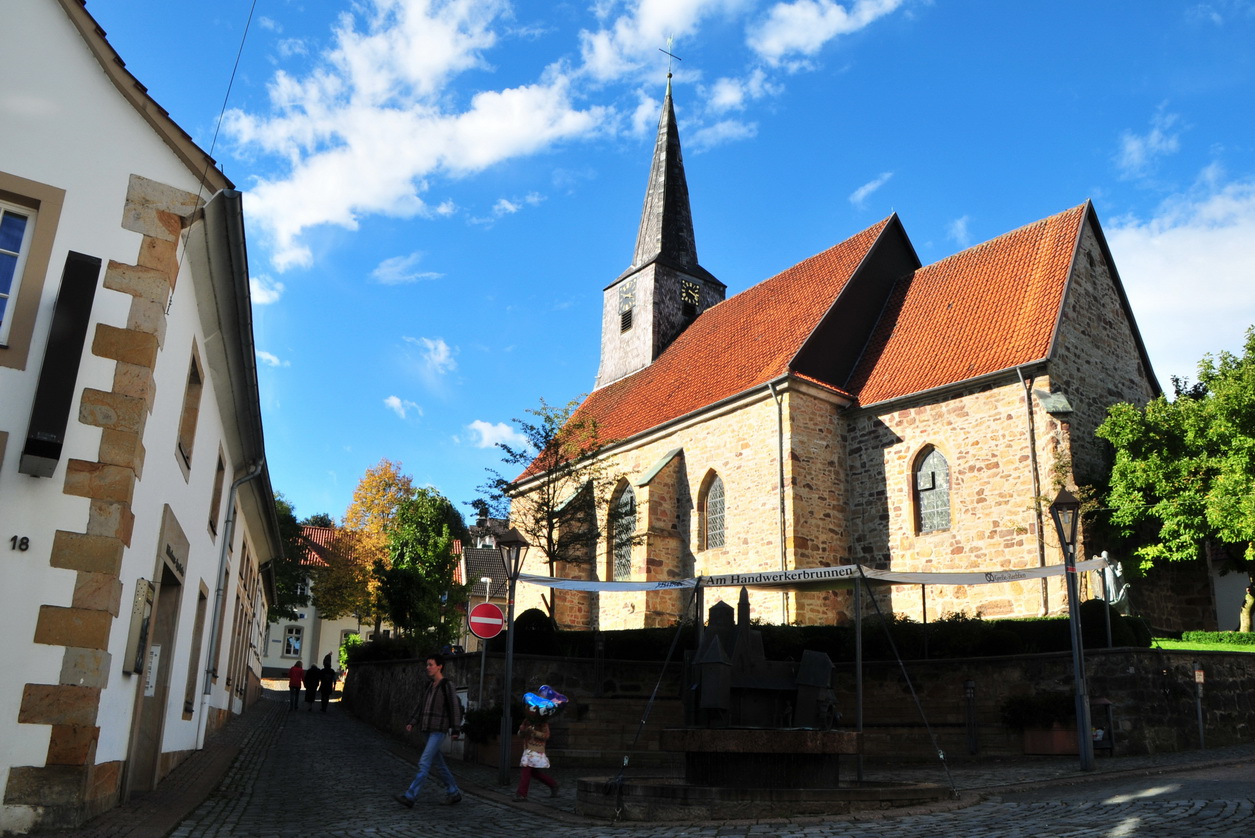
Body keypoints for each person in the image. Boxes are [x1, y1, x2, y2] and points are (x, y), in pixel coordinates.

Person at [394, 653, 463, 807]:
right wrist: (413, 721)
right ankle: (454, 792)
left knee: (424, 762)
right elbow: (421, 705)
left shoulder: (447, 685)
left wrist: (456, 729)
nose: (428, 668)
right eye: (427, 665)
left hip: (438, 730)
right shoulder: (429, 686)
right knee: (439, 764)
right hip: (426, 729)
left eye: (431, 664)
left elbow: (454, 708)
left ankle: (410, 796)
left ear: (440, 666)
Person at [514, 708, 559, 801]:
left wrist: (534, 732)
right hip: (528, 750)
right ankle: (553, 784)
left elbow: (546, 735)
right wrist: (522, 730)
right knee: (534, 773)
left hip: (535, 751)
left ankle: (521, 794)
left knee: (526, 771)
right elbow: (521, 735)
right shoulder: (527, 720)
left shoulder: (542, 722)